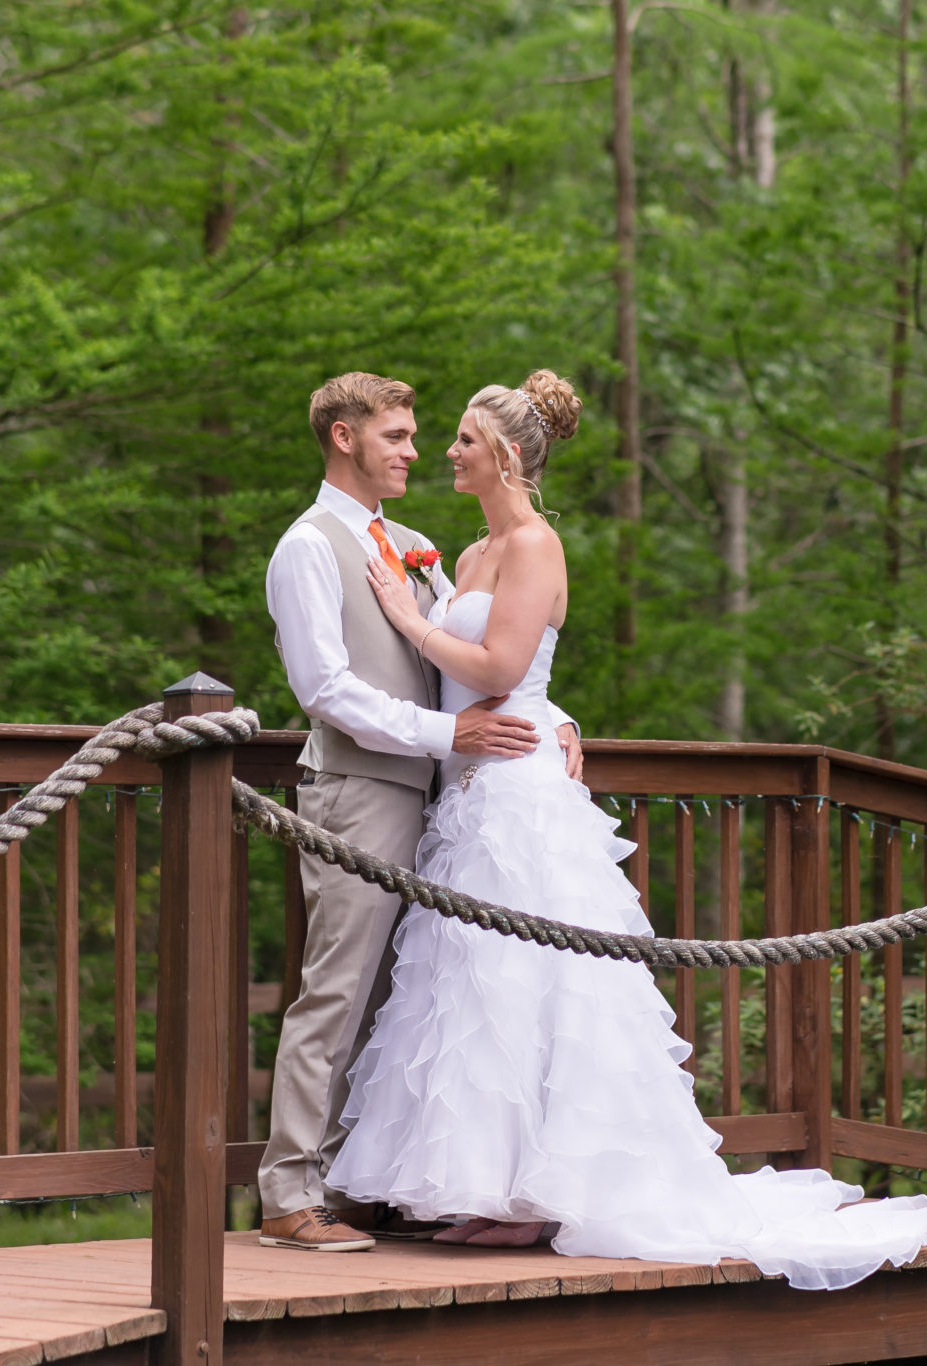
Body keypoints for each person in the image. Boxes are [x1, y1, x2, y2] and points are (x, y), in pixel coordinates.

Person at [325, 370, 927, 1290]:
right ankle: (493, 1190)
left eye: (463, 439)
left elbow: (505, 664)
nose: (446, 452)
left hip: (520, 800)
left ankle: (546, 1196)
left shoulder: (538, 545)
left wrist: (407, 619)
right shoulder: (465, 556)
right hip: (468, 797)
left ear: (502, 454)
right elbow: (502, 675)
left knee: (540, 986)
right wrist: (544, 701)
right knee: (476, 992)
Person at [257, 372, 583, 1253]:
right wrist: (451, 735)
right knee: (337, 988)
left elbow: (490, 656)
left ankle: (354, 1184)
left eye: (419, 435)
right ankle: (290, 1193)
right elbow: (325, 687)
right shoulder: (308, 546)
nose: (415, 449)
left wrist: (552, 722)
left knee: (407, 998)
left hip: (447, 801)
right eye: (396, 436)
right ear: (342, 438)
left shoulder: (418, 545)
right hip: (359, 790)